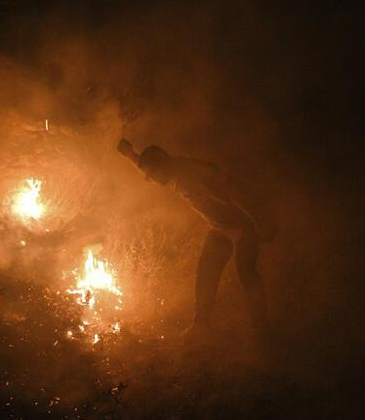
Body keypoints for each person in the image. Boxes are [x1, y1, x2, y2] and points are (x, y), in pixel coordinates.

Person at [117, 138, 275, 338]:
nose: (150, 180)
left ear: (161, 166)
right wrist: (129, 153)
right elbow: (147, 166)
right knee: (206, 273)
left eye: (151, 175)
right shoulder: (169, 172)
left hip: (243, 226)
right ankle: (201, 326)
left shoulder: (193, 171)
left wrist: (261, 220)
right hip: (220, 228)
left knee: (247, 274)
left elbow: (235, 190)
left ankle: (262, 330)